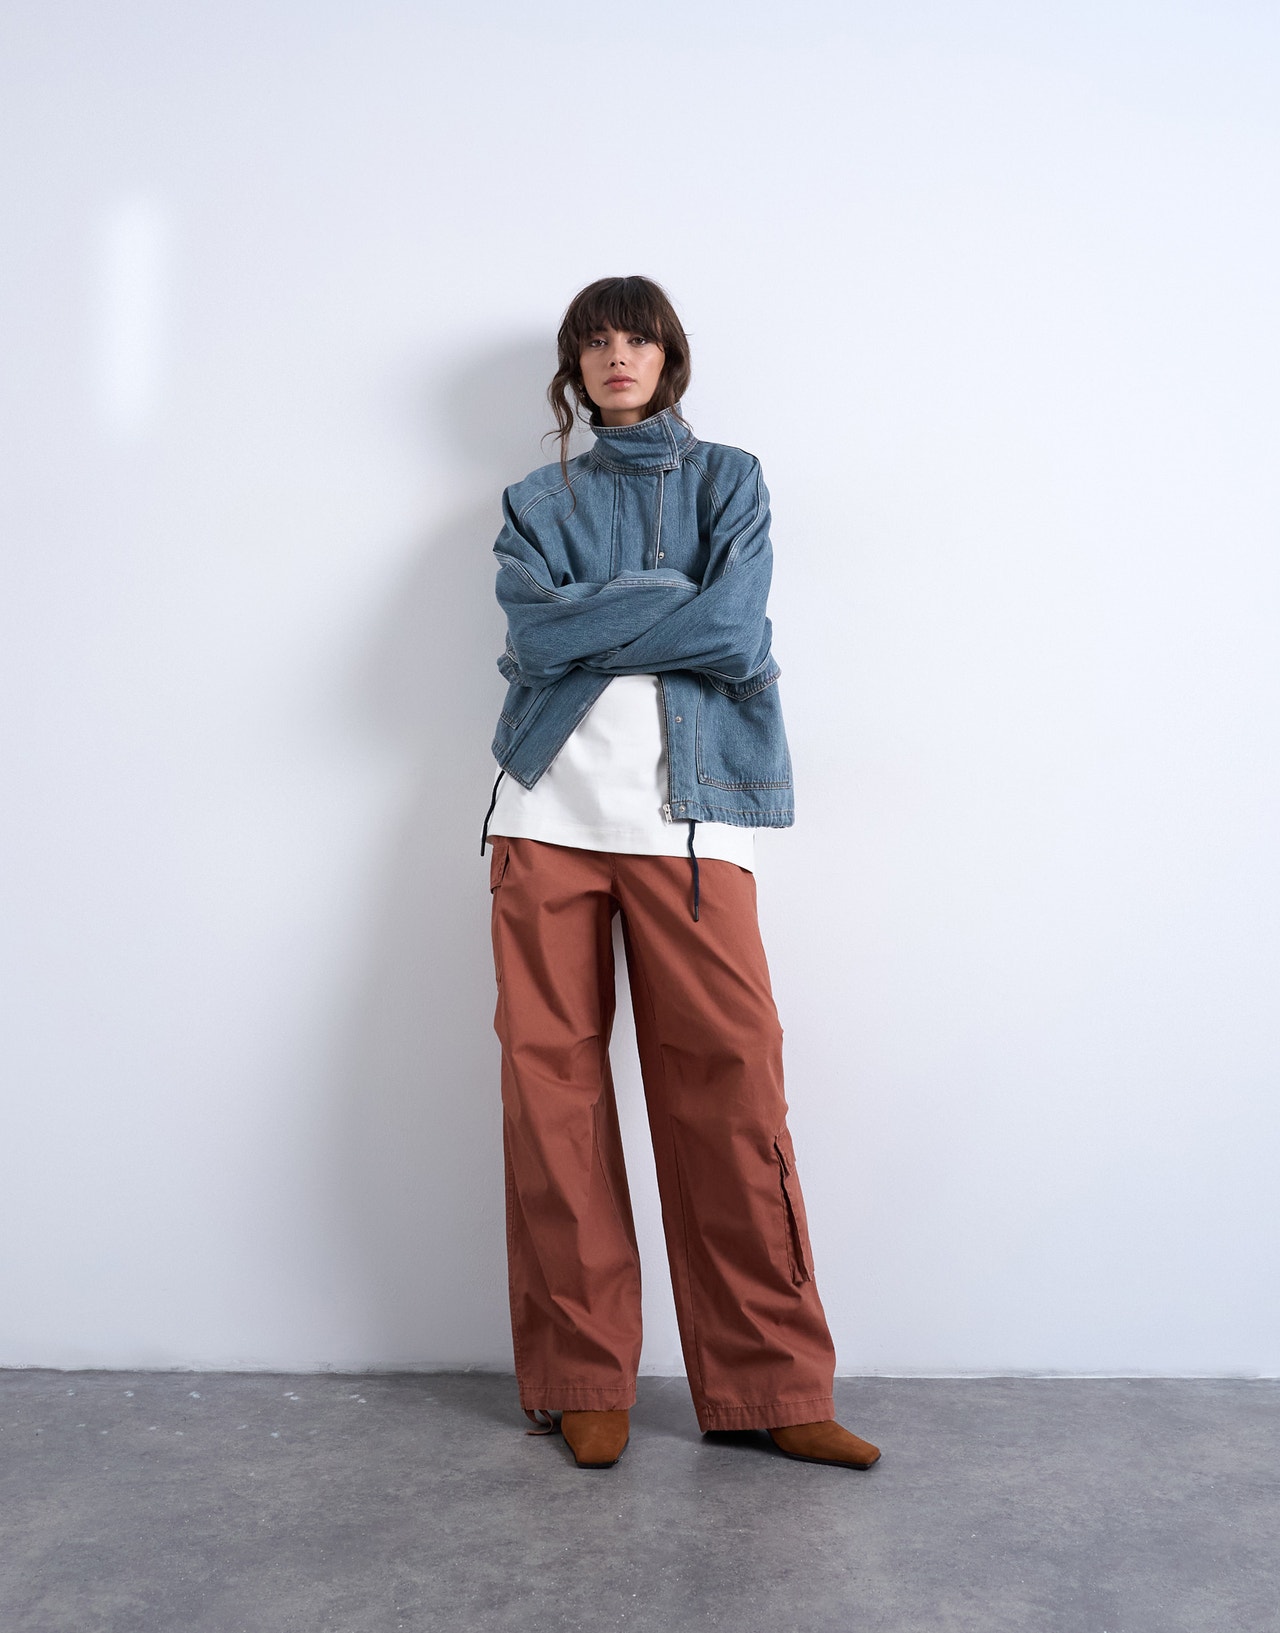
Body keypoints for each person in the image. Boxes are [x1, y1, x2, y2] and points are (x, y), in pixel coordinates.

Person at [481, 275, 880, 1472]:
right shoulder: (533, 501)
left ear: (668, 356)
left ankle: (769, 1384)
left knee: (732, 1087)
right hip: (544, 813)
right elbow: (529, 636)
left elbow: (732, 633)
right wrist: (665, 596)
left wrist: (607, 614)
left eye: (636, 338)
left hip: (692, 821)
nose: (617, 356)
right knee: (551, 1098)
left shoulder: (730, 481)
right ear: (573, 367)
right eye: (595, 342)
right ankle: (580, 1377)